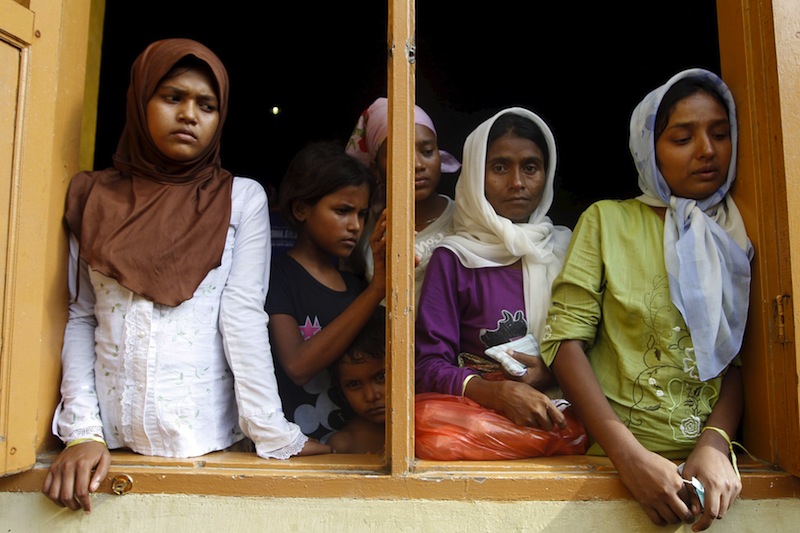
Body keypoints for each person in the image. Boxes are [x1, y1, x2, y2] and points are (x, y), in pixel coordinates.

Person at [43, 38, 330, 513]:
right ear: (139, 102)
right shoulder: (91, 197)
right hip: (108, 445)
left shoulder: (242, 199)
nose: (189, 114)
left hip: (208, 440)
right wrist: (81, 435)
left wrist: (273, 434)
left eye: (207, 104)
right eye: (172, 97)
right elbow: (81, 317)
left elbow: (241, 318)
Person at [540, 68, 753, 532]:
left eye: (720, 134)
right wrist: (629, 458)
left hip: (713, 474)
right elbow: (563, 342)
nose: (708, 150)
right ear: (647, 149)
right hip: (614, 468)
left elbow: (736, 359)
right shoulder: (608, 222)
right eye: (682, 138)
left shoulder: (734, 234)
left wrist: (716, 445)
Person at [415, 107, 572, 432]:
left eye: (531, 167)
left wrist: (552, 372)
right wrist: (495, 392)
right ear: (474, 174)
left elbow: (602, 349)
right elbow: (426, 365)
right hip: (482, 427)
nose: (517, 183)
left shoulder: (565, 249)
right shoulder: (455, 258)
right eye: (499, 167)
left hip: (567, 422)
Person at [266, 141, 387, 443]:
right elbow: (297, 365)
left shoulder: (355, 284)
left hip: (355, 452)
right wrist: (376, 291)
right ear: (301, 208)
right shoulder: (277, 277)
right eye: (342, 211)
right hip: (297, 452)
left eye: (361, 214)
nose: (355, 226)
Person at [345, 97, 461, 306]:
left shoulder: (464, 219)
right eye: (400, 155)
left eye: (427, 152)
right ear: (375, 168)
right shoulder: (364, 225)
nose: (417, 165)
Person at [328, 307, 387, 454]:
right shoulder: (344, 445)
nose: (371, 396)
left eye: (381, 377)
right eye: (354, 384)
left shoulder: (426, 426)